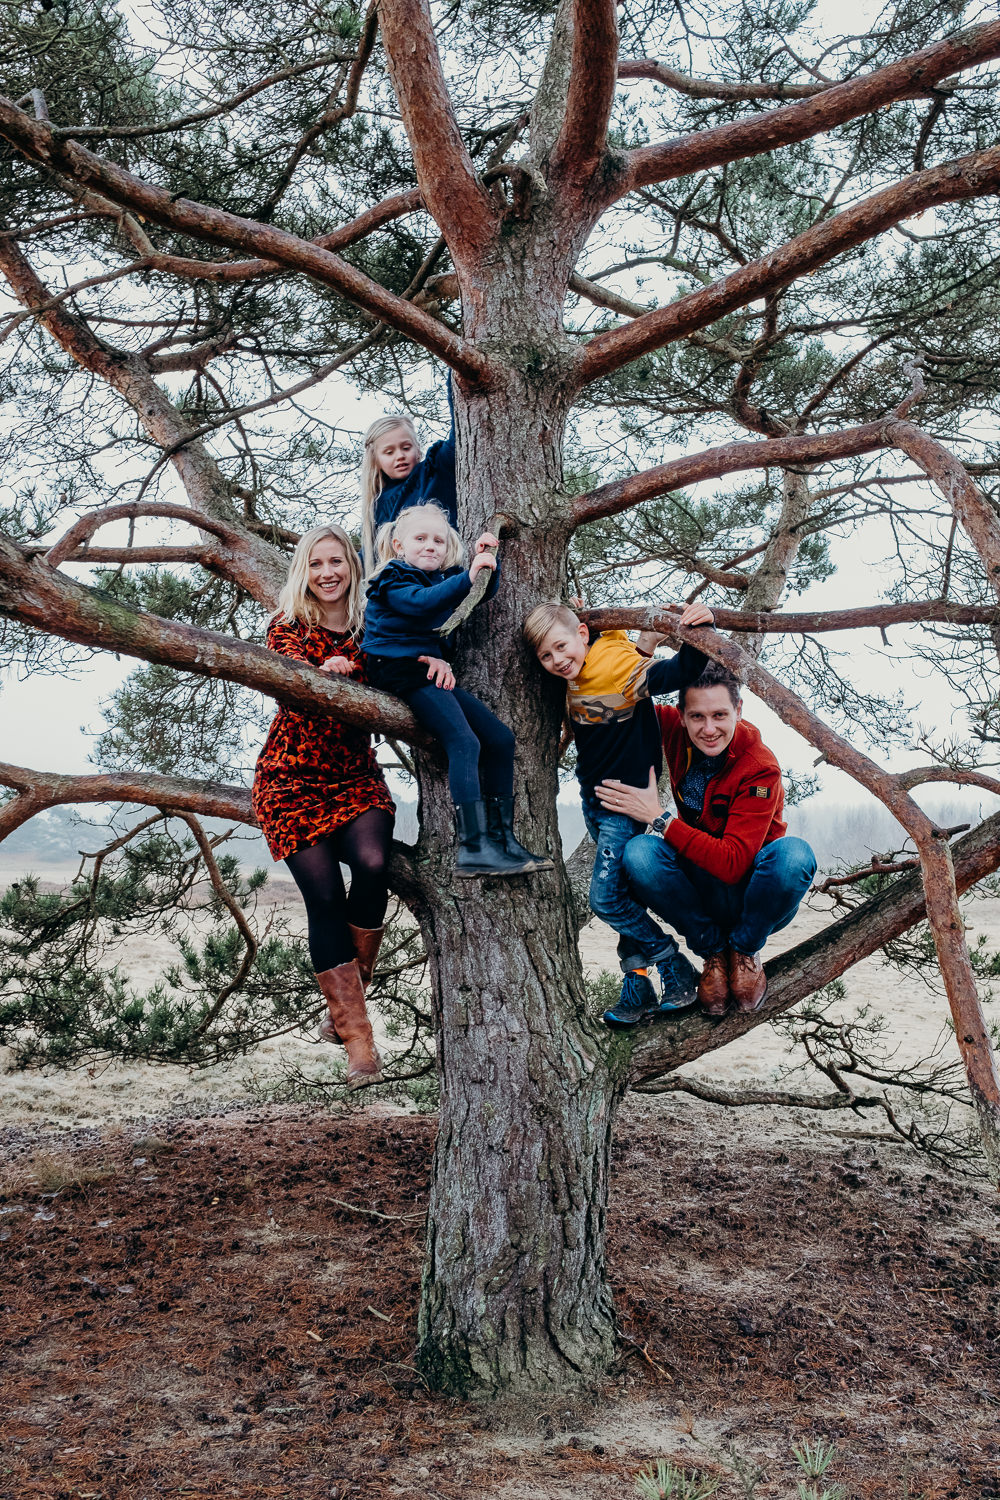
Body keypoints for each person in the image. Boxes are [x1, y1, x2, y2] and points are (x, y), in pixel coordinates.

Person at [251, 524, 452, 1086]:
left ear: (353, 567)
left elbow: (398, 670)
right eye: (316, 564)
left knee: (372, 863)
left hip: (353, 778)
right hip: (290, 780)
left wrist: (430, 664)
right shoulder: (288, 626)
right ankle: (358, 1037)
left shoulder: (374, 626)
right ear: (303, 572)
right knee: (325, 898)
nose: (327, 573)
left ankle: (344, 1003)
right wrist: (323, 675)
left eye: (336, 561)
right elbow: (287, 681)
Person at [524, 600, 713, 1029]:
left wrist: (699, 630)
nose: (557, 661)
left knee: (606, 898)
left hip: (625, 806)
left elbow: (680, 672)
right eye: (546, 656)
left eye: (561, 647)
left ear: (583, 636)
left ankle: (674, 965)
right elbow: (594, 635)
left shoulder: (620, 670)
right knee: (623, 894)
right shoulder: (584, 660)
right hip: (595, 801)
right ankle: (638, 985)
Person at [600, 660, 817, 1016]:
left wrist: (659, 818)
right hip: (701, 894)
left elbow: (732, 864)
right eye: (697, 717)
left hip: (755, 895)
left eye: (719, 715)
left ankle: (744, 951)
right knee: (640, 852)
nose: (709, 728)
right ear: (681, 716)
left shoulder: (759, 766)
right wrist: (638, 642)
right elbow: (616, 703)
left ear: (738, 710)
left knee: (794, 855)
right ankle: (713, 954)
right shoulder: (672, 729)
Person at [365, 503, 551, 878]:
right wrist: (469, 574)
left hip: (423, 670)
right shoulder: (394, 576)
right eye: (420, 539)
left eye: (438, 539)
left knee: (499, 739)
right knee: (464, 743)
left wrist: (486, 564)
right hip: (394, 669)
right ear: (399, 545)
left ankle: (503, 840)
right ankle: (473, 849)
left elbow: (476, 594)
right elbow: (421, 605)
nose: (430, 546)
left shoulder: (441, 578)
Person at [360, 381, 456, 572]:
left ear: (417, 449)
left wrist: (455, 372)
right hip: (402, 588)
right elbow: (368, 556)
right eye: (389, 452)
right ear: (375, 460)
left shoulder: (434, 469)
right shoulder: (377, 504)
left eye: (406, 447)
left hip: (446, 573)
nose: (400, 456)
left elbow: (459, 432)